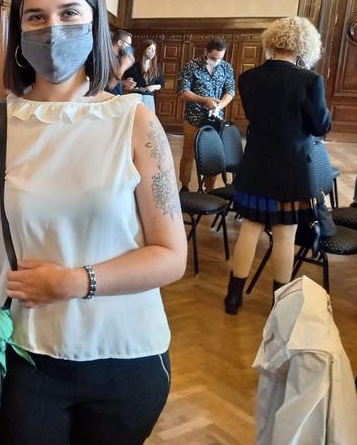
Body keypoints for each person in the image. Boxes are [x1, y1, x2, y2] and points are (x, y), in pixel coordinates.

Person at [0, 0, 187, 445]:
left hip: (125, 356)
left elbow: (171, 255)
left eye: (69, 13)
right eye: (36, 17)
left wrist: (73, 281)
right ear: (18, 31)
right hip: (24, 355)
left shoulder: (135, 122)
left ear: (95, 23)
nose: (53, 30)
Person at [223, 17, 331, 314]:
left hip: (256, 167)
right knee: (285, 234)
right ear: (305, 46)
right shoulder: (310, 81)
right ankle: (278, 305)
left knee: (250, 229)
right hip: (292, 171)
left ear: (272, 41)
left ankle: (233, 298)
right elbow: (320, 126)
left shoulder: (248, 78)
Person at [177, 37, 235, 191]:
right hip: (193, 117)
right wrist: (204, 100)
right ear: (206, 52)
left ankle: (210, 189)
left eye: (219, 58)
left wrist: (219, 105)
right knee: (188, 154)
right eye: (213, 58)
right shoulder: (191, 66)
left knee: (212, 155)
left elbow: (230, 91)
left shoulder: (226, 67)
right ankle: (185, 187)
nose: (216, 61)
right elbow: (183, 92)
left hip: (215, 118)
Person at [124, 38, 164, 112]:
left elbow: (160, 84)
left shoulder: (157, 68)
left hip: (149, 99)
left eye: (154, 50)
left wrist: (154, 87)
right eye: (150, 49)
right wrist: (133, 88)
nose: (153, 51)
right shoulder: (133, 67)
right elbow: (126, 84)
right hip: (135, 98)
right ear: (144, 49)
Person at [107, 29, 137, 94]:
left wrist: (123, 83)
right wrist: (123, 66)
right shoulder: (107, 58)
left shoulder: (118, 58)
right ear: (120, 42)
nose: (129, 48)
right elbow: (109, 86)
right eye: (128, 44)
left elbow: (113, 80)